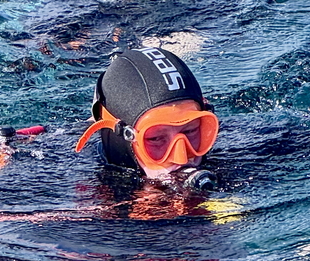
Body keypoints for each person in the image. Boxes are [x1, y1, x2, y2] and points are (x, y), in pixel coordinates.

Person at [74, 46, 219, 186]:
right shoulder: (75, 178)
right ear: (123, 139)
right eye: (155, 139)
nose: (181, 158)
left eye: (190, 131)